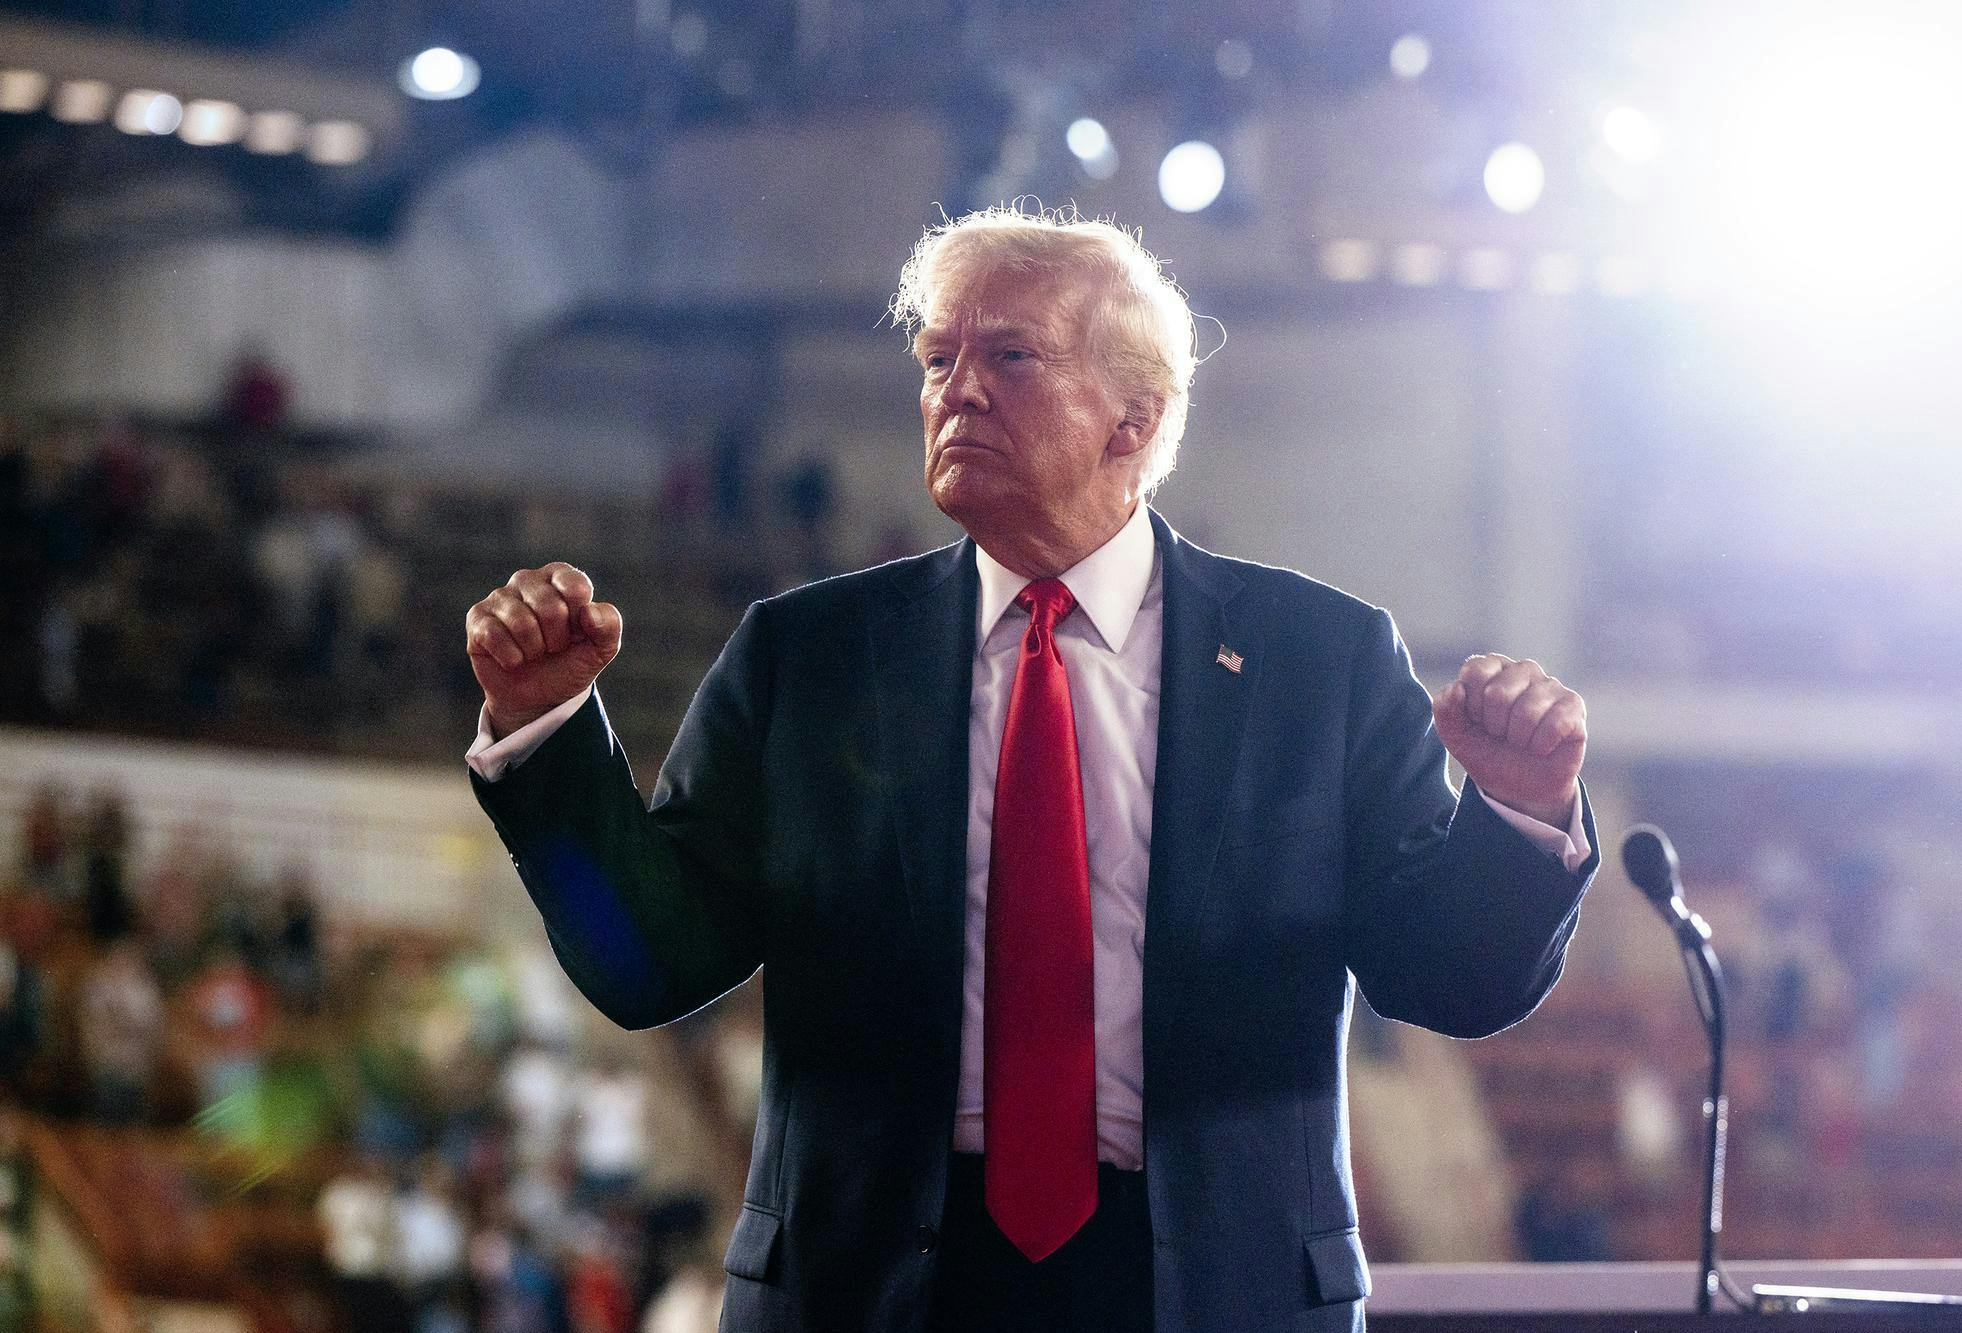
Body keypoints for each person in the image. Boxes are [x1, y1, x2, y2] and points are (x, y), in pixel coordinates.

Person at [463, 208, 1598, 1333]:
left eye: (1008, 356)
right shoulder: (805, 655)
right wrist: (549, 731)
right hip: (867, 1284)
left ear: (1131, 418)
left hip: (1210, 1287)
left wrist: (1516, 811)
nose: (955, 390)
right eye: (936, 358)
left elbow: (1446, 979)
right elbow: (648, 962)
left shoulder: (1322, 660)